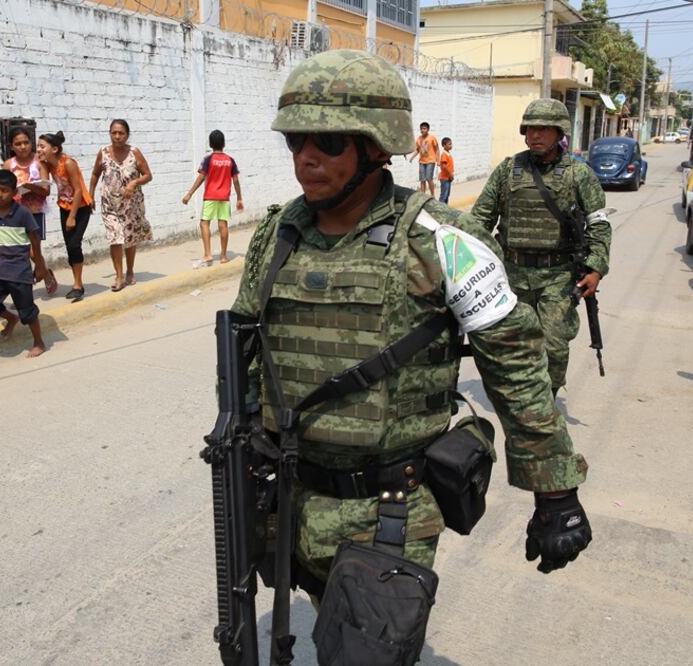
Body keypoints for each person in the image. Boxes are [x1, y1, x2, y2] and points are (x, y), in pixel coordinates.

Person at [229, 50, 591, 659]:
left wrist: (555, 491)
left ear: (377, 148)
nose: (305, 159)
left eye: (328, 142)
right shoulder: (277, 234)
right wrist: (239, 445)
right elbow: (244, 353)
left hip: (390, 512)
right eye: (296, 142)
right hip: (291, 499)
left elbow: (517, 368)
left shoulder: (442, 240)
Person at [466, 98, 612, 396]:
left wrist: (596, 268)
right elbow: (479, 219)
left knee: (554, 346)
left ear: (560, 133)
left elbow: (598, 224)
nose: (536, 135)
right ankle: (517, 394)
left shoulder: (578, 174)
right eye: (531, 128)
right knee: (509, 343)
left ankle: (547, 397)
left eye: (544, 129)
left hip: (557, 275)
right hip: (511, 274)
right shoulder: (508, 170)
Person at [0, 169, 47, 358]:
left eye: (4, 190)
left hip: (19, 271)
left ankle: (39, 341)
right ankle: (11, 318)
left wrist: (40, 266)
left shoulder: (23, 214)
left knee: (28, 310)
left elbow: (35, 240)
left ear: (14, 192)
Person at [88, 119, 153, 291]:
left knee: (129, 239)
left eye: (121, 133)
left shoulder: (134, 153)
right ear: (110, 134)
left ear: (127, 135)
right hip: (110, 205)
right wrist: (90, 194)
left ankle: (130, 270)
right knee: (115, 238)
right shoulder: (103, 153)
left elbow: (148, 175)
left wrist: (134, 183)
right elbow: (95, 174)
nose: (117, 136)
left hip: (131, 205)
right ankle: (119, 276)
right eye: (114, 133)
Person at [38, 131, 92, 302]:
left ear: (54, 149)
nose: (39, 149)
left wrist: (72, 216)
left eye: (42, 146)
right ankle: (77, 283)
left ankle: (78, 285)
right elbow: (45, 183)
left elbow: (77, 190)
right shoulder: (47, 164)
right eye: (38, 146)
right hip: (64, 206)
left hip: (80, 207)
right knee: (69, 246)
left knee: (75, 244)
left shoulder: (68, 163)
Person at [3, 128, 57, 295]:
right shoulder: (8, 165)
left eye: (26, 142)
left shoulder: (39, 162)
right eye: (18, 144)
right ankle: (38, 279)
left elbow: (46, 190)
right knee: (20, 252)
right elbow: (3, 188)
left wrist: (30, 186)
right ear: (11, 146)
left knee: (33, 250)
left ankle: (43, 273)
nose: (23, 146)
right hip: (14, 213)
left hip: (35, 212)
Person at [182, 129, 243, 265]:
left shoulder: (208, 159)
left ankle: (208, 254)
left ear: (210, 144)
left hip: (210, 196)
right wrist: (239, 198)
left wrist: (190, 193)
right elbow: (236, 181)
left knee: (204, 223)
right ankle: (223, 256)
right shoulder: (230, 160)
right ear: (224, 144)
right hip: (224, 198)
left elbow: (201, 177)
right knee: (223, 225)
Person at [407, 121, 439, 198]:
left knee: (429, 178)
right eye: (421, 129)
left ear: (428, 129)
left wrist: (438, 160)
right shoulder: (419, 139)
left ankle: (432, 195)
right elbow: (418, 150)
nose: (422, 130)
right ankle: (423, 196)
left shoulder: (432, 138)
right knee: (422, 179)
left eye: (424, 128)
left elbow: (437, 149)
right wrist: (412, 157)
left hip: (430, 161)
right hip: (422, 162)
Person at [438, 136, 454, 204]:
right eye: (449, 144)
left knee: (447, 195)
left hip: (448, 178)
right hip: (445, 178)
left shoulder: (448, 154)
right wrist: (450, 175)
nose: (451, 145)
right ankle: (440, 209)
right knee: (443, 195)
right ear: (444, 145)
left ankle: (445, 208)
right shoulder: (444, 155)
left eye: (451, 144)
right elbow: (444, 166)